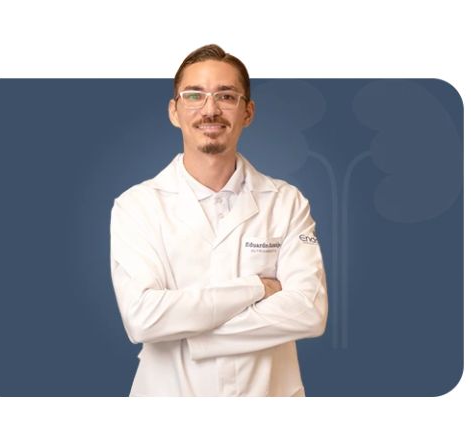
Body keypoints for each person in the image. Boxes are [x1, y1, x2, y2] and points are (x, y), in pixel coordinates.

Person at [110, 44, 328, 396]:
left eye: (226, 96)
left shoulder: (286, 202)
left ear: (248, 112)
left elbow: (309, 311)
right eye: (194, 95)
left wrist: (193, 335)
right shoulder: (137, 206)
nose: (210, 110)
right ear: (174, 111)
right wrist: (257, 288)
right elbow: (143, 318)